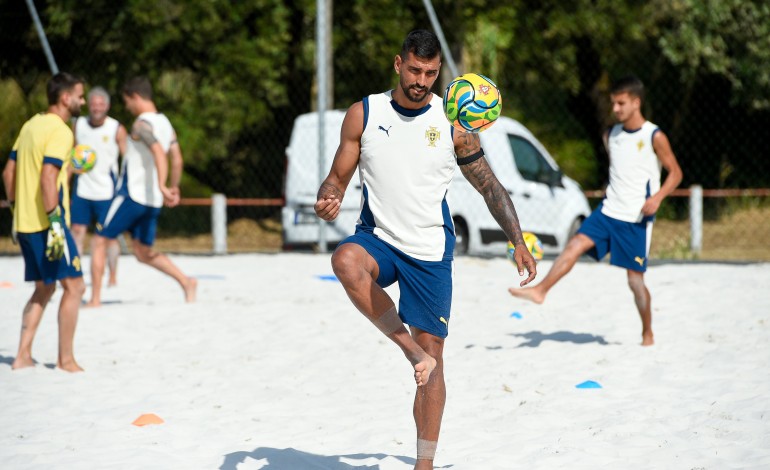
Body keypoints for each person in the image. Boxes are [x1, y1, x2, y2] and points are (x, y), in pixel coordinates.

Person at [314, 30, 537, 469]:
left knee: (434, 357)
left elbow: (490, 185)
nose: (421, 80)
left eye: (431, 73)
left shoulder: (455, 124)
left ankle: (425, 463)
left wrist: (518, 241)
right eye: (415, 70)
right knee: (344, 259)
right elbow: (336, 178)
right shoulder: (364, 113)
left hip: (431, 250)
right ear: (399, 64)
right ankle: (407, 349)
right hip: (378, 240)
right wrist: (328, 195)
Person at [509, 75, 683, 346]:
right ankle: (541, 290)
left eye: (621, 103)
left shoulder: (654, 135)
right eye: (613, 103)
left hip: (636, 218)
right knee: (575, 244)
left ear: (636, 103)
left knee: (635, 281)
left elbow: (676, 173)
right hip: (608, 211)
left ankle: (647, 332)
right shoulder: (610, 134)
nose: (615, 109)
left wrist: (659, 197)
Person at [2, 72, 87, 372]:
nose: (83, 100)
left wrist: (17, 208)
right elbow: (48, 177)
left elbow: (8, 174)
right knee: (75, 287)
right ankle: (66, 361)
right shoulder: (61, 131)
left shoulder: (30, 125)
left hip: (24, 223)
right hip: (48, 222)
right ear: (66, 98)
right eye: (79, 95)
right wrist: (54, 222)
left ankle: (22, 356)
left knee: (45, 287)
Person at [88, 76, 196, 306]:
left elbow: (158, 152)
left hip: (132, 194)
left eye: (127, 101)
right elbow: (176, 158)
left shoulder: (140, 125)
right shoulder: (166, 123)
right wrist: (173, 188)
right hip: (152, 201)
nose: (127, 106)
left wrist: (161, 184)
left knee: (99, 240)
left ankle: (95, 299)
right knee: (143, 252)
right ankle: (186, 282)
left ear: (135, 97)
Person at [71, 86, 127, 295]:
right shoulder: (78, 125)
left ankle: (112, 274)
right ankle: (75, 271)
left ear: (107, 106)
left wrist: (126, 186)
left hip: (107, 190)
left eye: (101, 104)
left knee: (109, 237)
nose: (96, 108)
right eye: (93, 104)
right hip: (83, 188)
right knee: (77, 231)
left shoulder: (116, 128)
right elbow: (71, 153)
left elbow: (127, 158)